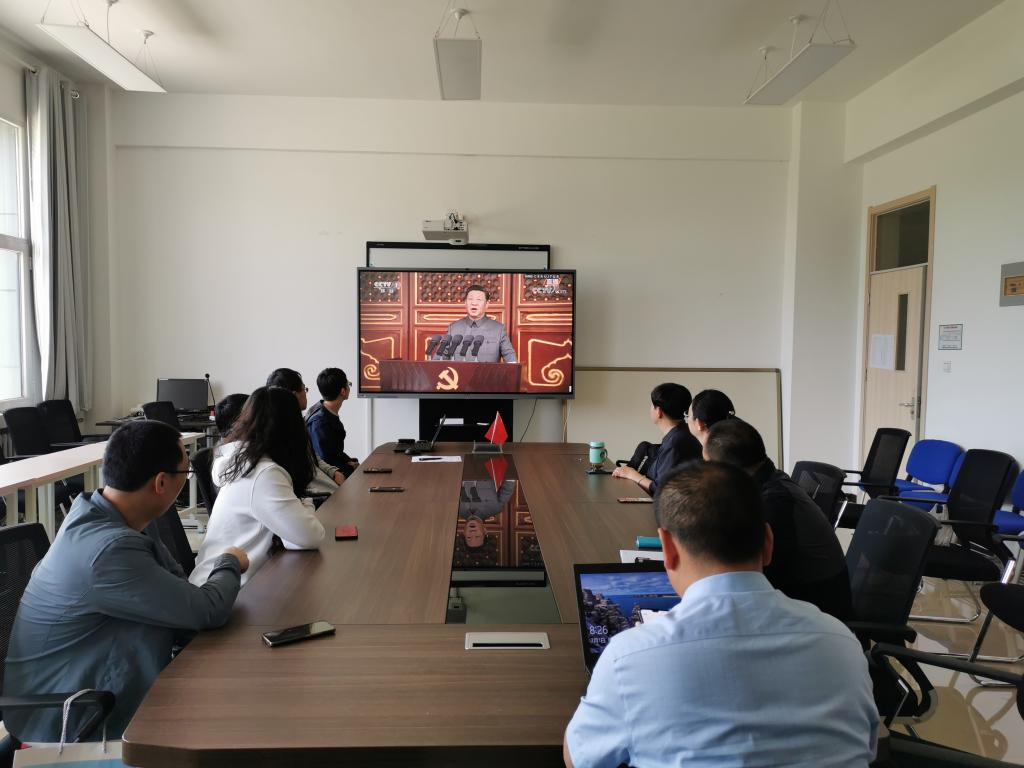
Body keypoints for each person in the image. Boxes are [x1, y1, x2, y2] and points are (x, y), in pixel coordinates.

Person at [564, 462, 878, 768]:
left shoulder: (629, 657)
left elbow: (579, 758)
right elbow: (868, 746)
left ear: (667, 549)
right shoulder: (842, 643)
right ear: (768, 543)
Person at [3, 421, 248, 742]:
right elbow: (207, 610)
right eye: (186, 472)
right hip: (73, 723)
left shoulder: (103, 516)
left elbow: (185, 599)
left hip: (95, 689)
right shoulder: (109, 550)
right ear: (161, 482)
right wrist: (230, 561)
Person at [704, 418, 852, 621]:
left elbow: (760, 576)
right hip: (802, 599)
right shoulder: (768, 481)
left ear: (725, 471)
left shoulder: (773, 503)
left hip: (815, 614)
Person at [190, 387, 325, 587]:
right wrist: (306, 505)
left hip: (220, 583)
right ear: (293, 428)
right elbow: (310, 537)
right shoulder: (263, 474)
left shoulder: (244, 462)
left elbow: (293, 539)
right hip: (227, 593)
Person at [611, 383, 702, 496]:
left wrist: (632, 475)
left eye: (652, 405)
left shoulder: (675, 442)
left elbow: (660, 490)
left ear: (658, 411)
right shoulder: (683, 432)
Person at [266, 367, 345, 487]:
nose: (305, 393)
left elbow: (312, 457)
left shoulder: (296, 423)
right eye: (304, 389)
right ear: (293, 396)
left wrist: (333, 472)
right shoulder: (283, 433)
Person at [306, 367, 359, 478]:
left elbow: (334, 452)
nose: (349, 387)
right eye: (348, 384)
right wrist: (349, 467)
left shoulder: (323, 410)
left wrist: (349, 461)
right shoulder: (319, 423)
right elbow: (325, 461)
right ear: (343, 391)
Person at [445, 284, 517, 363]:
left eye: (479, 299)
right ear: (465, 303)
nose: (474, 303)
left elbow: (510, 357)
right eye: (470, 299)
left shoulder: (498, 329)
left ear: (487, 304)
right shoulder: (454, 328)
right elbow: (441, 358)